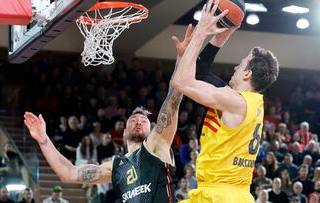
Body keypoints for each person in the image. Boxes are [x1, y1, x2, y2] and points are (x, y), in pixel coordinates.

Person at [23, 23, 204, 203]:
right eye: (133, 119)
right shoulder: (116, 166)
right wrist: (44, 140)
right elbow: (69, 173)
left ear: (152, 130)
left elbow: (172, 100)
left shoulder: (157, 145)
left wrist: (182, 58)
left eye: (144, 120)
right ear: (124, 132)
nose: (139, 121)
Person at [171, 0, 279, 202]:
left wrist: (201, 32)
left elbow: (181, 81)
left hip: (219, 195)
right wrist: (223, 34)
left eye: (241, 65)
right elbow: (201, 75)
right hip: (234, 194)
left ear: (247, 74)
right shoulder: (250, 102)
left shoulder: (234, 101)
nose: (235, 68)